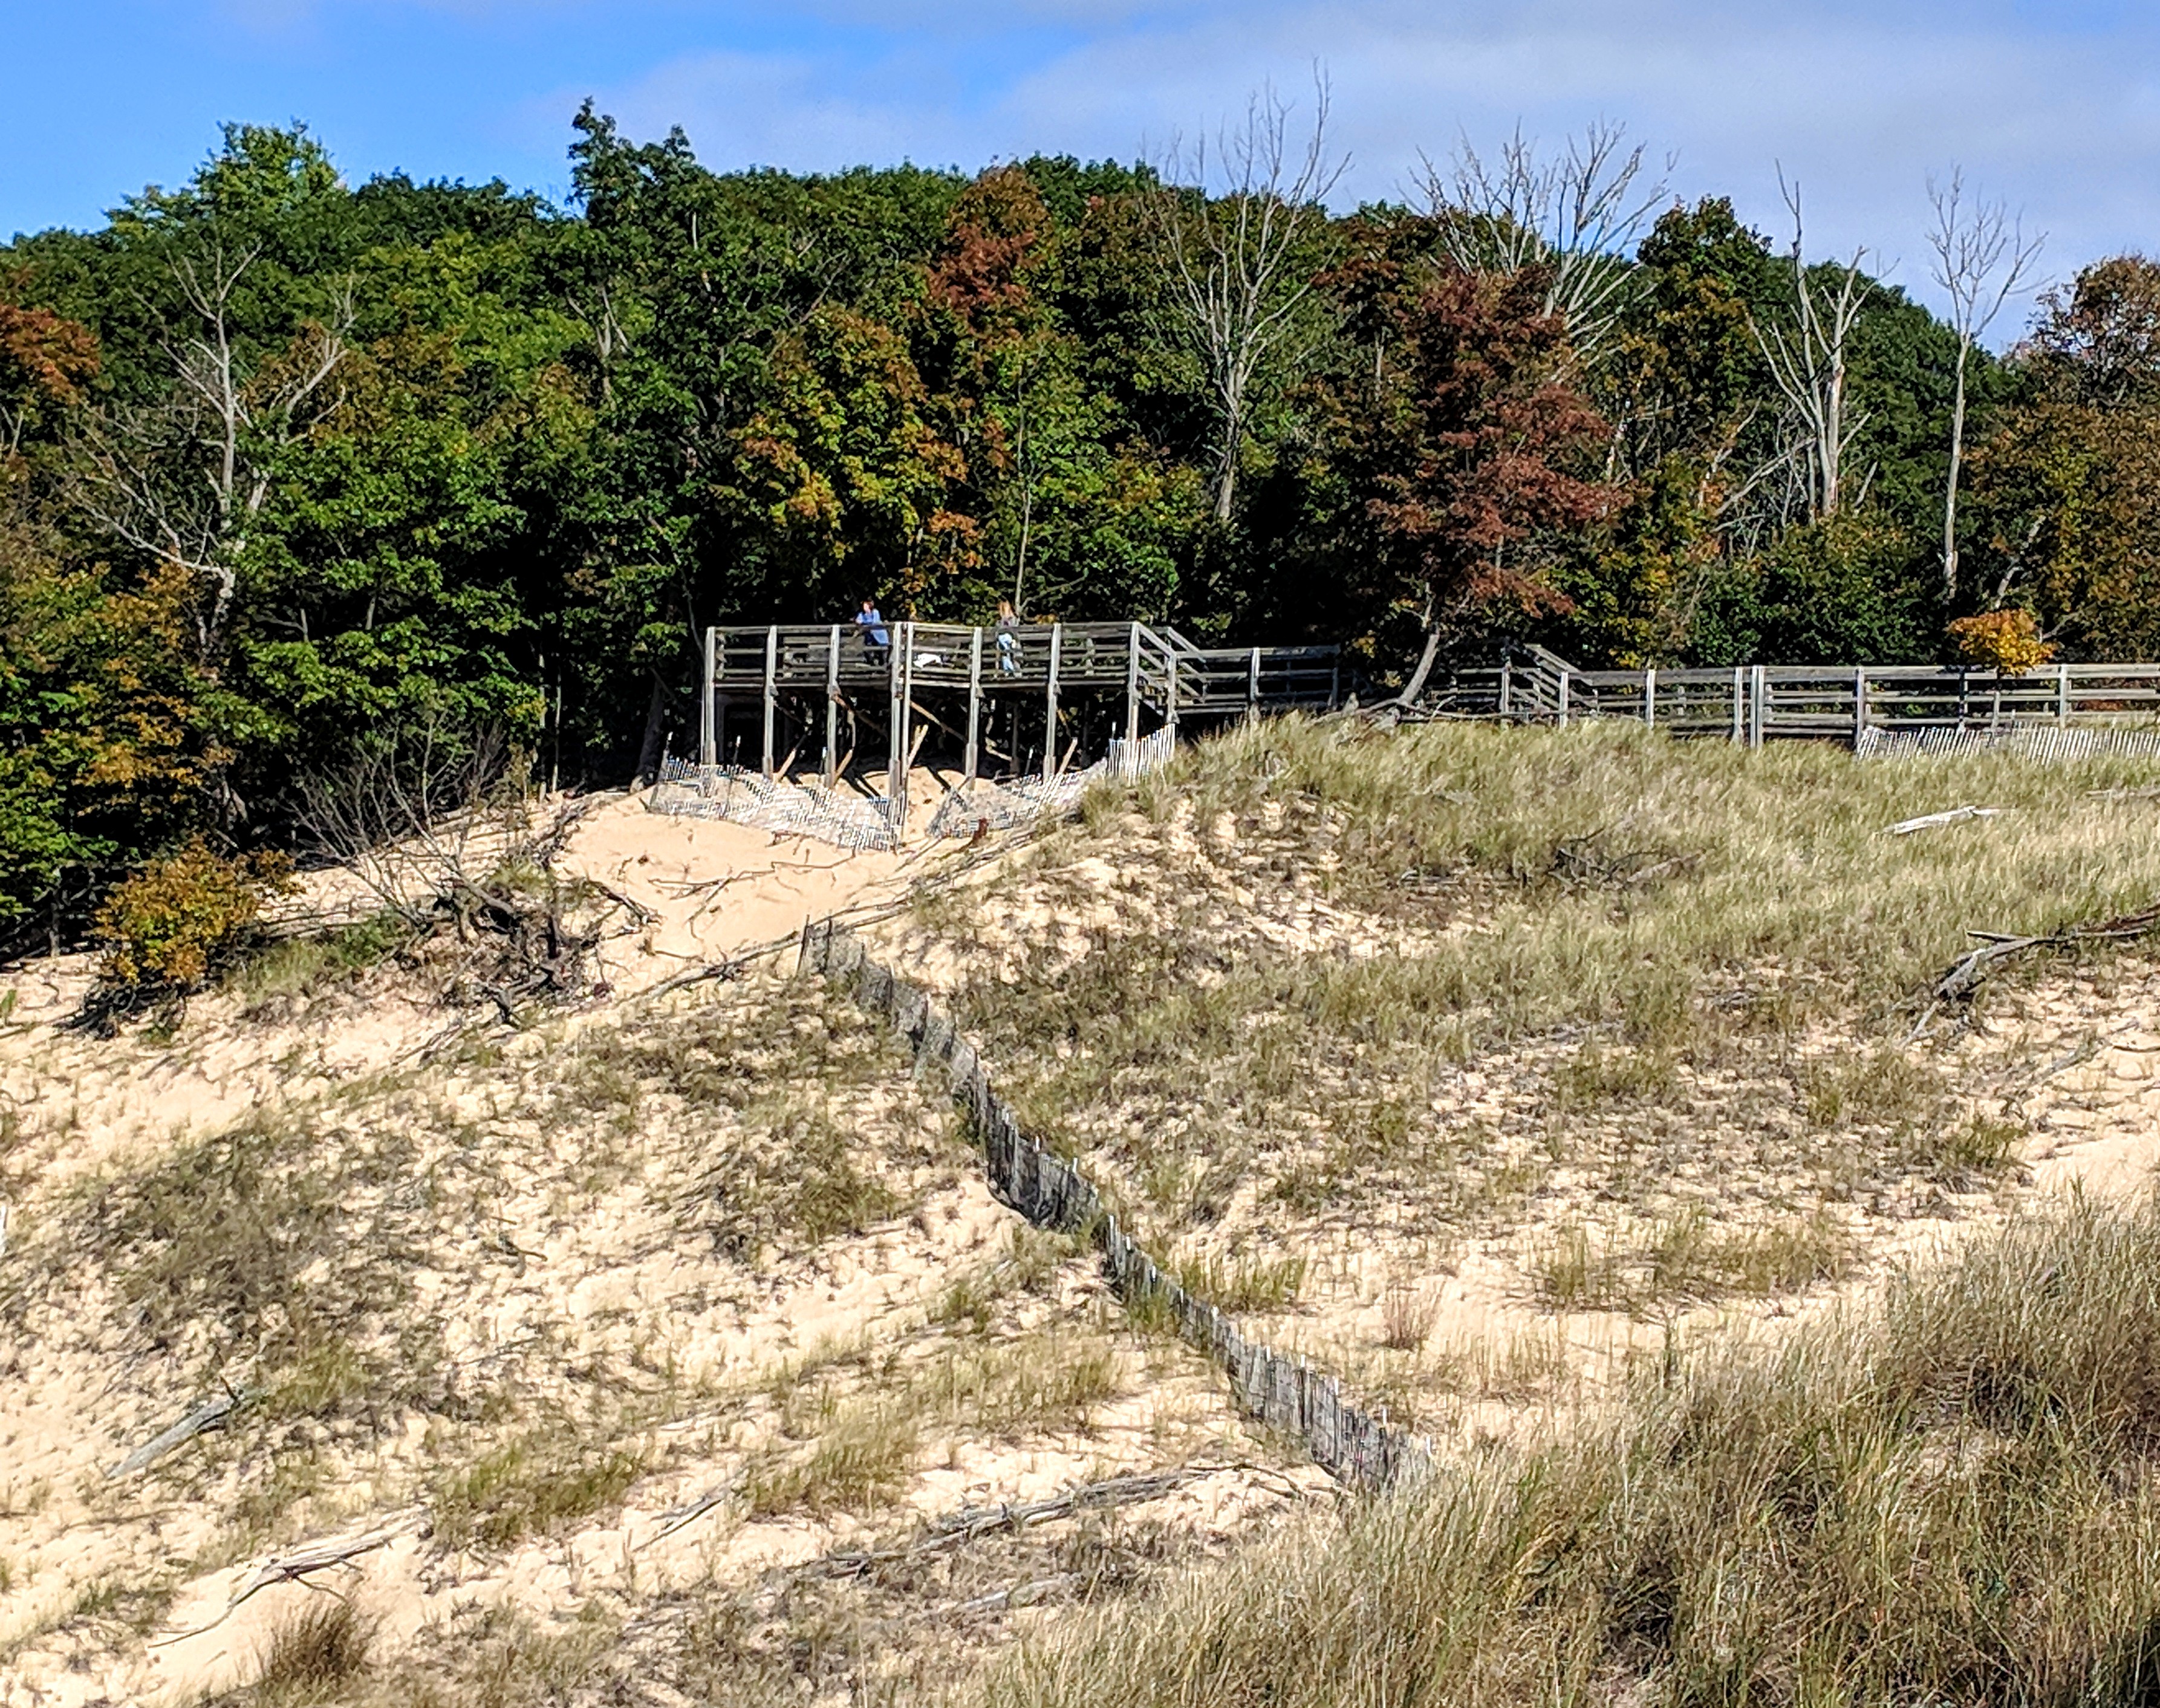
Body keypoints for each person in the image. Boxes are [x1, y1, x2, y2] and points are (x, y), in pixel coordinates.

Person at [856, 597, 889, 665]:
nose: (864, 607)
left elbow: (875, 622)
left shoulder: (875, 612)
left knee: (882, 653)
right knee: (868, 649)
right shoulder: (862, 614)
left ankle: (883, 664)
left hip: (879, 634)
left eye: (866, 605)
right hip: (870, 635)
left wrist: (864, 622)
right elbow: (858, 621)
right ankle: (871, 662)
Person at [995, 598, 1021, 675]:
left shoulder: (1014, 619)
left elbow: (1015, 628)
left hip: (1014, 640)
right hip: (1003, 641)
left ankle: (1016, 673)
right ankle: (1006, 672)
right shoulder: (999, 621)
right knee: (1004, 654)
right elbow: (998, 632)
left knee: (1016, 654)